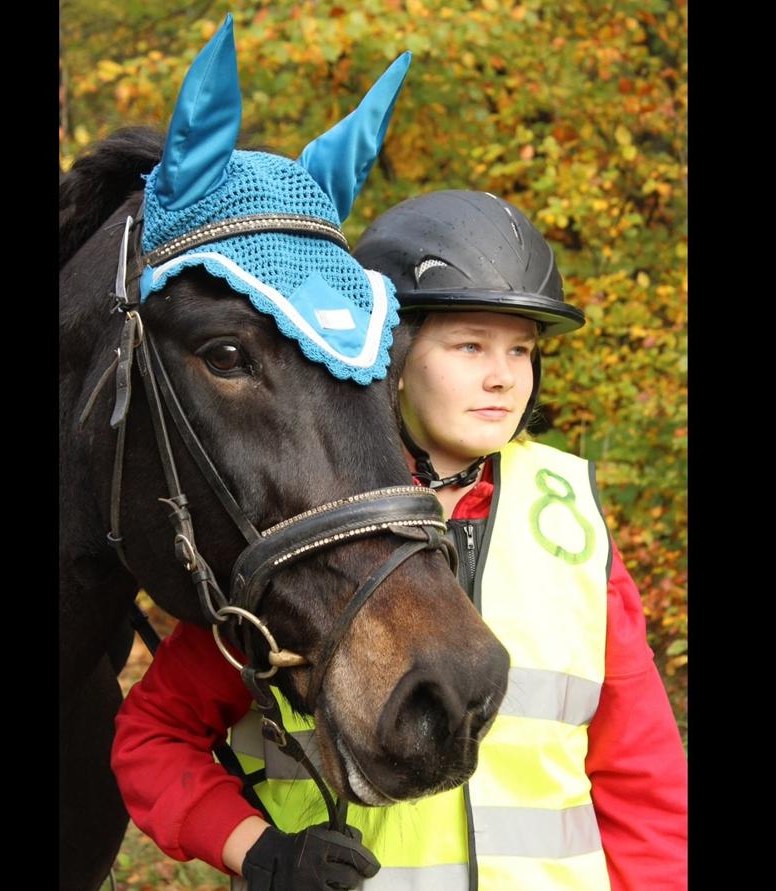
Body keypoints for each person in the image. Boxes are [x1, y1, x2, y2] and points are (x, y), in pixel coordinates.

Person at [112, 190, 688, 890]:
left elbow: (642, 775)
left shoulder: (567, 520)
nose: (503, 375)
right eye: (470, 344)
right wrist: (260, 851)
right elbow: (153, 736)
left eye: (522, 349)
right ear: (389, 357)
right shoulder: (307, 532)